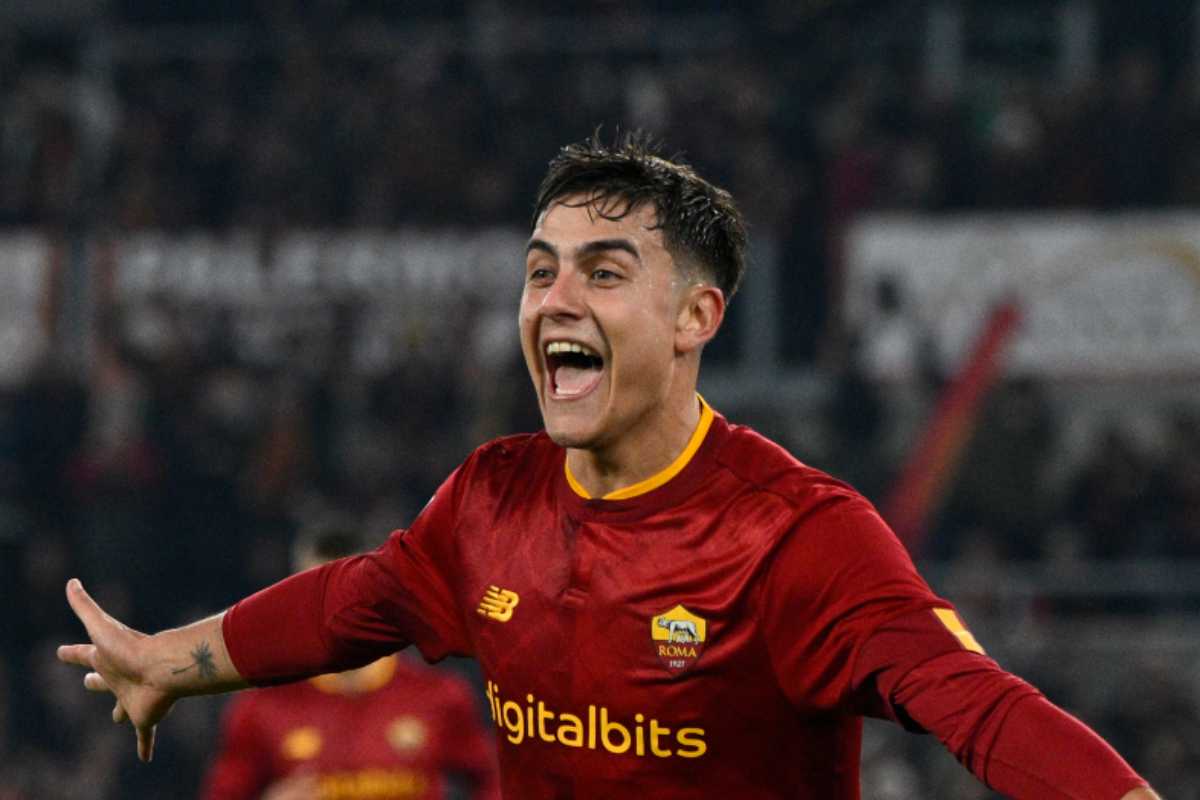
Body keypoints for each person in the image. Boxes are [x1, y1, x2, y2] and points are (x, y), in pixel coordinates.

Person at [59, 132, 1160, 799]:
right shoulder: (489, 497)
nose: (555, 299)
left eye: (603, 271)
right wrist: (168, 661)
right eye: (540, 270)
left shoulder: (796, 534)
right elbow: (353, 602)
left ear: (696, 316)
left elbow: (980, 708)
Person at [199, 520, 499, 800]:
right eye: (313, 596)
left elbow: (497, 780)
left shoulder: (438, 696)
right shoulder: (261, 709)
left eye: (344, 593)